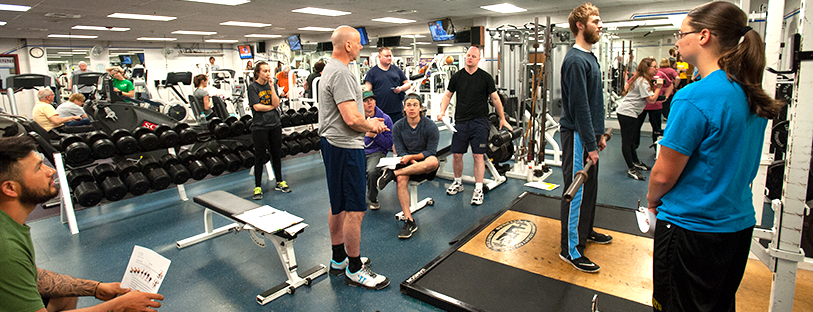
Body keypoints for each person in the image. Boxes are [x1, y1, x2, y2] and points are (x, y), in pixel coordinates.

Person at [647, 2, 782, 311]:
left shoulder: (694, 96)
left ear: (704, 36)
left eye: (681, 34)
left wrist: (653, 200)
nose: (678, 42)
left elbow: (664, 174)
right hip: (737, 227)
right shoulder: (750, 92)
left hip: (691, 229)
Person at [0, 136, 165, 312]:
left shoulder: (9, 223)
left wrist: (96, 288)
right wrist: (118, 306)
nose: (51, 171)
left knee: (64, 294)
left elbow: (34, 276)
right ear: (10, 188)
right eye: (38, 168)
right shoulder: (6, 249)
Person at [319, 26, 389, 290]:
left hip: (332, 144)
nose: (361, 47)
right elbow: (350, 119)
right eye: (358, 43)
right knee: (355, 210)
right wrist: (373, 125)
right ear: (347, 45)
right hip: (346, 148)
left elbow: (345, 115)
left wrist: (367, 120)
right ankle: (355, 268)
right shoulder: (343, 73)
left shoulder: (329, 68)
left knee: (337, 203)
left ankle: (339, 259)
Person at [558, 2, 612, 274]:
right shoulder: (576, 60)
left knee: (590, 187)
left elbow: (594, 103)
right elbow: (579, 107)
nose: (600, 25)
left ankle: (585, 230)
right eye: (595, 21)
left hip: (589, 134)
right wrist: (589, 144)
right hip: (576, 134)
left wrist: (599, 135)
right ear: (580, 26)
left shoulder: (590, 57)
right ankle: (569, 249)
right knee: (576, 191)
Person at [436, 46, 511, 206]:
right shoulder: (457, 77)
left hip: (480, 122)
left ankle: (478, 189)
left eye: (473, 56)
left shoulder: (485, 77)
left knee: (478, 156)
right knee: (456, 154)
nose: (470, 58)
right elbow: (448, 95)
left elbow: (496, 99)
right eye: (468, 55)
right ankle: (458, 182)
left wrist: (502, 118)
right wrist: (442, 111)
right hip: (461, 122)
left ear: (479, 59)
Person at [376, 93, 439, 239]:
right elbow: (402, 151)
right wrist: (412, 161)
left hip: (424, 163)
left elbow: (430, 151)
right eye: (408, 105)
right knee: (401, 181)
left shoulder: (430, 126)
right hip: (406, 162)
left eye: (415, 105)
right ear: (404, 108)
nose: (412, 108)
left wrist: (415, 159)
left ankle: (392, 174)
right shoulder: (398, 126)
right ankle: (409, 220)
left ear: (420, 108)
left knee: (433, 161)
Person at [248, 61, 291, 200]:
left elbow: (277, 102)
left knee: (276, 154)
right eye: (265, 71)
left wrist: (272, 87)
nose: (268, 73)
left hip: (275, 125)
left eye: (269, 71)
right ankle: (258, 186)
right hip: (260, 126)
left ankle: (279, 181)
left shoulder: (270, 85)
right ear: (258, 73)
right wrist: (272, 107)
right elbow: (257, 107)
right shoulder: (253, 87)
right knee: (260, 156)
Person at [618, 57, 663, 180]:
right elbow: (651, 100)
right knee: (627, 142)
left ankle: (636, 162)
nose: (656, 69)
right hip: (627, 113)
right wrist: (658, 87)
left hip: (630, 113)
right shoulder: (642, 81)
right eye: (654, 66)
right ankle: (631, 169)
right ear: (647, 68)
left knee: (632, 140)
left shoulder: (641, 79)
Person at [361, 91, 393, 210]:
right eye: (365, 100)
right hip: (360, 151)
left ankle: (373, 198)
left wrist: (374, 135)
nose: (369, 102)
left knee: (372, 171)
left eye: (371, 99)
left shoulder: (385, 119)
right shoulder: (357, 119)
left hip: (376, 152)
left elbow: (389, 143)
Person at [364, 47, 411, 124]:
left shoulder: (397, 70)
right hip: (380, 110)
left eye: (390, 56)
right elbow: (367, 92)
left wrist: (401, 88)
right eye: (386, 56)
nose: (389, 58)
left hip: (397, 110)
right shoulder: (372, 72)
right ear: (379, 57)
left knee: (397, 133)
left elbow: (408, 84)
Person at [655, 57, 679, 122]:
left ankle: (662, 116)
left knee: (660, 105)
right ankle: (667, 116)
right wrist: (675, 86)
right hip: (669, 90)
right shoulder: (671, 70)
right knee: (668, 104)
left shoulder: (658, 70)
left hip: (659, 90)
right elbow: (677, 78)